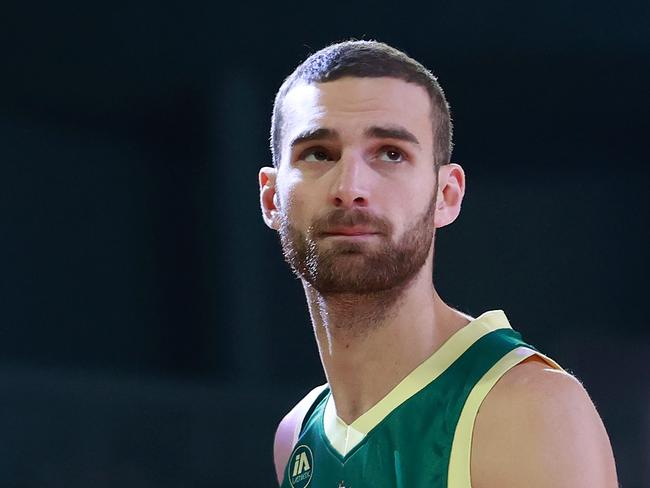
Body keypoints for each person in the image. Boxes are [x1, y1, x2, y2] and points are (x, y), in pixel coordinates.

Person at [258, 40, 618, 488]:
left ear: (446, 196)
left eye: (390, 153)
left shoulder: (529, 411)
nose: (350, 187)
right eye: (318, 154)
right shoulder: (297, 437)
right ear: (272, 198)